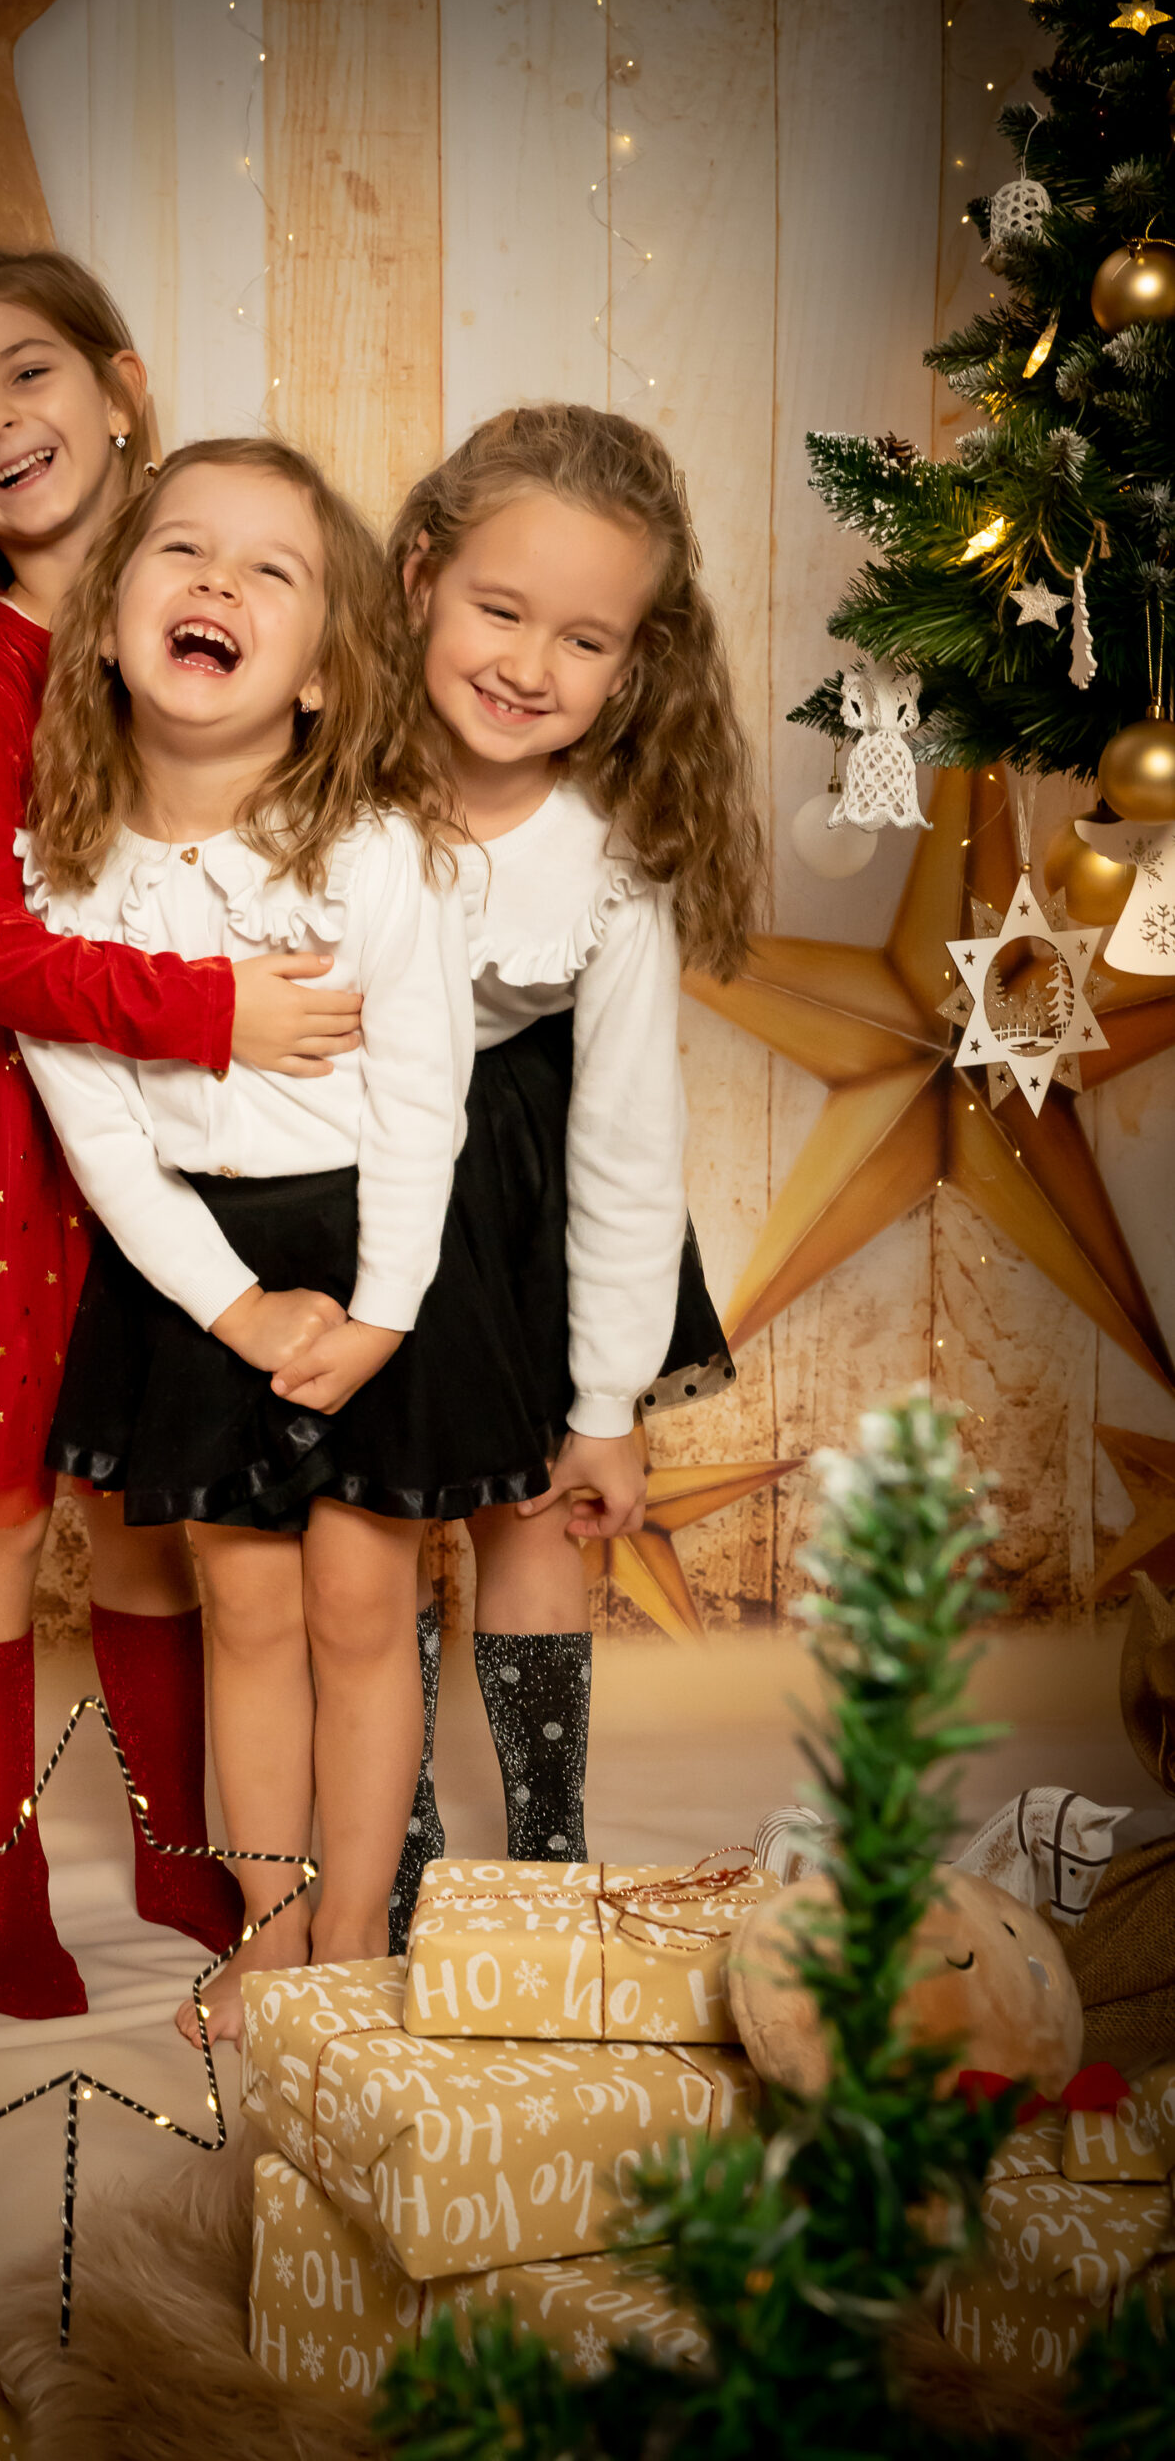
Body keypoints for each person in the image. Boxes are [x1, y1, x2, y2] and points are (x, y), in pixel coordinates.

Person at [0, 251, 362, 2018]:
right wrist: (216, 1011)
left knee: (154, 1497)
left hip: (191, 1124)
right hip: (6, 1120)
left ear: (121, 389)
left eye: (28, 374)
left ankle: (176, 1842)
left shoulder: (210, 597)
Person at [17, 436, 551, 2045]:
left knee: (360, 1614)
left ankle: (360, 1924)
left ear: (319, 673)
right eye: (183, 551)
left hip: (381, 1246)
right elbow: (104, 1142)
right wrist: (236, 1309)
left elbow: (425, 1102)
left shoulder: (379, 853)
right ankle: (269, 1926)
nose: (218, 584)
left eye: (272, 569)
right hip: (196, 1269)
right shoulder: (59, 875)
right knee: (244, 1615)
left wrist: (380, 1313)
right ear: (112, 622)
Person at [384, 405, 763, 1929]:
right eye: (500, 609)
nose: (530, 665)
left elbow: (625, 1142)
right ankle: (386, 1840)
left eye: (585, 639)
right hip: (352, 1168)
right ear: (419, 574)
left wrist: (608, 1405)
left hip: (524, 1189)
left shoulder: (610, 856)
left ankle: (545, 1855)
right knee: (368, 1522)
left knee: (535, 1512)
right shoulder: (324, 783)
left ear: (635, 663)